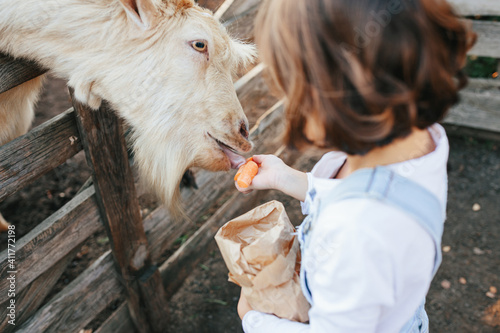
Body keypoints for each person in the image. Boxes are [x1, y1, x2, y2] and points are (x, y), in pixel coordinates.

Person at [234, 0, 476, 332]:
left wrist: (254, 319)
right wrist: (289, 179)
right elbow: (363, 192)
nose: (292, 104)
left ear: (341, 93)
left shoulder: (357, 232)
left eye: (295, 90)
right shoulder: (422, 142)